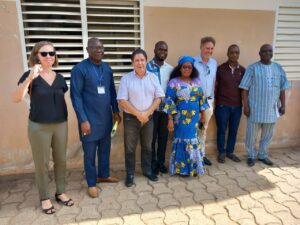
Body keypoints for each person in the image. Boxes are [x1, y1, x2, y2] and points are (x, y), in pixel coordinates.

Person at [11, 41, 73, 214]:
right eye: (44, 53)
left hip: (61, 124)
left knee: (61, 160)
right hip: (39, 127)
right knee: (42, 163)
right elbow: (16, 98)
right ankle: (44, 197)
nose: (48, 57)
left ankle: (60, 192)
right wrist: (30, 77)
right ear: (36, 55)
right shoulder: (30, 75)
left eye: (52, 53)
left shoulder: (60, 78)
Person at [70, 37, 121, 198]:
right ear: (87, 50)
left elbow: (112, 91)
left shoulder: (107, 68)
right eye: (95, 47)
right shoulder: (79, 69)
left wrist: (115, 110)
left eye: (101, 47)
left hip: (105, 118)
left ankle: (103, 175)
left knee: (105, 149)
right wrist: (83, 120)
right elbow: (75, 96)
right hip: (89, 120)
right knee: (90, 153)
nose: (99, 50)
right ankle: (91, 183)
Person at [117, 48, 165, 187]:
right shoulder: (126, 79)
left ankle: (147, 170)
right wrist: (139, 114)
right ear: (132, 62)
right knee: (130, 147)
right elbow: (122, 100)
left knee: (147, 146)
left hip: (148, 117)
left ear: (146, 61)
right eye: (137, 60)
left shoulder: (153, 77)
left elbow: (159, 97)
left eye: (142, 60)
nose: (140, 63)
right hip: (131, 118)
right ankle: (130, 174)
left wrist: (147, 113)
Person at [239, 44, 290, 167]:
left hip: (272, 109)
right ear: (260, 53)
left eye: (270, 51)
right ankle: (251, 155)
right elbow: (244, 89)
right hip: (255, 108)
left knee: (268, 134)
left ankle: (262, 155)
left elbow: (282, 88)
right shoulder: (253, 68)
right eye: (265, 51)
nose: (268, 53)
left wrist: (283, 105)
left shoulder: (278, 68)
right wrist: (245, 106)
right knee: (251, 134)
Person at [164, 56, 209, 176]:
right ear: (180, 68)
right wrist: (170, 120)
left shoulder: (197, 81)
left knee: (194, 140)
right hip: (180, 119)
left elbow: (202, 99)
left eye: (189, 67)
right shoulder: (174, 82)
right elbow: (169, 101)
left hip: (194, 119)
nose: (187, 69)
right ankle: (181, 169)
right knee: (182, 140)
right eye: (184, 67)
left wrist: (203, 115)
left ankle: (193, 168)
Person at [215, 44, 245, 163]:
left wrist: (245, 104)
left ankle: (230, 152)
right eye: (232, 52)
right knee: (222, 129)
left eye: (237, 53)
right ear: (228, 54)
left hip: (237, 106)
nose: (234, 55)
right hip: (222, 105)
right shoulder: (220, 69)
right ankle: (221, 152)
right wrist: (216, 103)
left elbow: (244, 89)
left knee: (233, 129)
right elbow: (216, 87)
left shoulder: (242, 70)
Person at [146, 41, 173, 175]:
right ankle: (152, 164)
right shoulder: (146, 67)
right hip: (151, 110)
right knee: (151, 139)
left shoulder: (170, 69)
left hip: (165, 109)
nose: (163, 52)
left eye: (165, 50)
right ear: (154, 50)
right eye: (160, 49)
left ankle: (161, 163)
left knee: (163, 138)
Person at [194, 36, 217, 166]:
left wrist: (212, 99)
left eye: (212, 48)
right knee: (193, 130)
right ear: (201, 47)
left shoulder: (214, 63)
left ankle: (201, 155)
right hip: (195, 102)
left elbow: (213, 82)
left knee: (203, 130)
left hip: (208, 102)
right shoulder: (193, 63)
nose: (209, 50)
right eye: (207, 48)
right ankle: (193, 156)